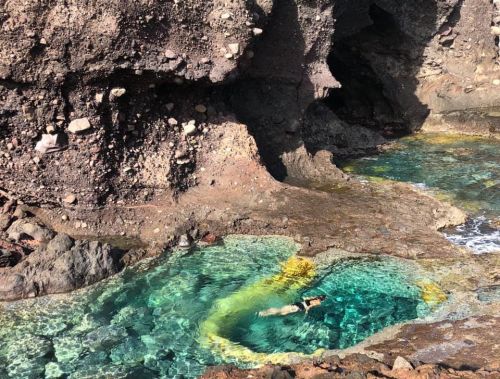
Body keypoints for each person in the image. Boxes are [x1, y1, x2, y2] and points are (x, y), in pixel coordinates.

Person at [258, 295, 326, 317]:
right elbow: (309, 306)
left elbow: (304, 298)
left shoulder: (314, 297)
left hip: (298, 303)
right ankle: (264, 313)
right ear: (322, 300)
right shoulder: (318, 303)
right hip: (299, 307)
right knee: (280, 311)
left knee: (282, 312)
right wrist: (306, 312)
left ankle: (264, 313)